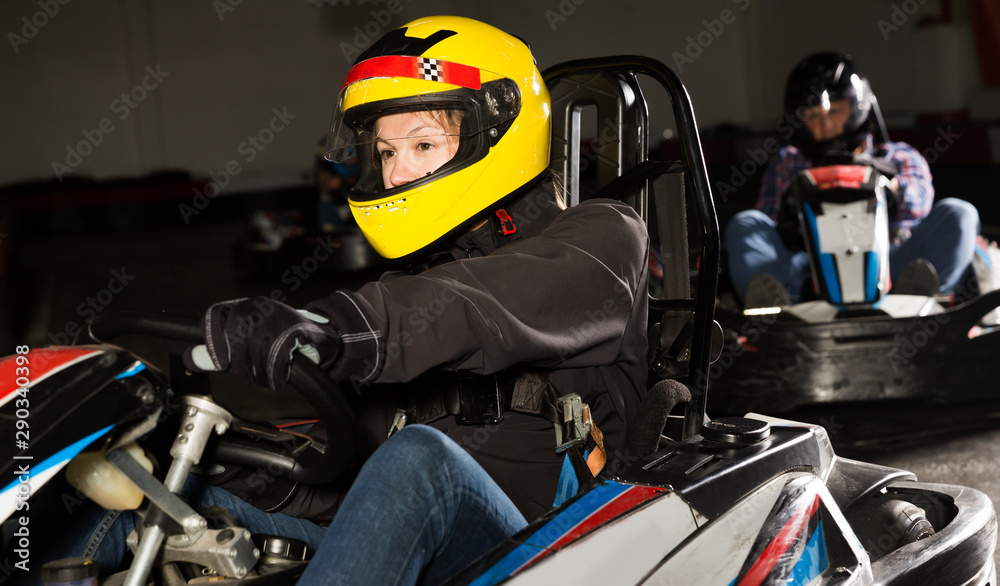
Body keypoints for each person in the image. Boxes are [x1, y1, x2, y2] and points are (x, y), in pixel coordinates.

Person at [27, 15, 650, 585]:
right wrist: (244, 466)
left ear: (500, 132)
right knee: (152, 489)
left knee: (417, 459)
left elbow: (474, 305)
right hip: (413, 545)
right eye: (386, 152)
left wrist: (334, 327)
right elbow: (354, 495)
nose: (397, 172)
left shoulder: (602, 240)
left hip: (542, 552)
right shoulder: (401, 291)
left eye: (422, 145)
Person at [725, 51, 980, 307]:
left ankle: (918, 303)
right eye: (813, 116)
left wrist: (890, 188)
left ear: (857, 106)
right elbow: (765, 225)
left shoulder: (898, 156)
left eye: (835, 111)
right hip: (808, 275)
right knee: (745, 224)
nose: (825, 126)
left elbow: (920, 205)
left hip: (892, 268)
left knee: (960, 213)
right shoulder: (788, 162)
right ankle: (776, 314)